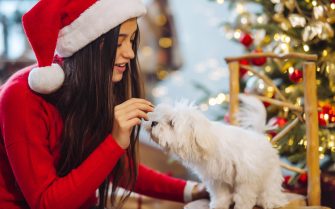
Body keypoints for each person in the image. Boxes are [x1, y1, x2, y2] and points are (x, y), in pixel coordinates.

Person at [0, 0, 209, 208]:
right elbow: (47, 203)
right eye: (119, 43)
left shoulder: (94, 87)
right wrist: (115, 141)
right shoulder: (21, 97)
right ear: (88, 45)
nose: (130, 53)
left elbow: (113, 167)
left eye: (132, 41)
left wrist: (189, 191)